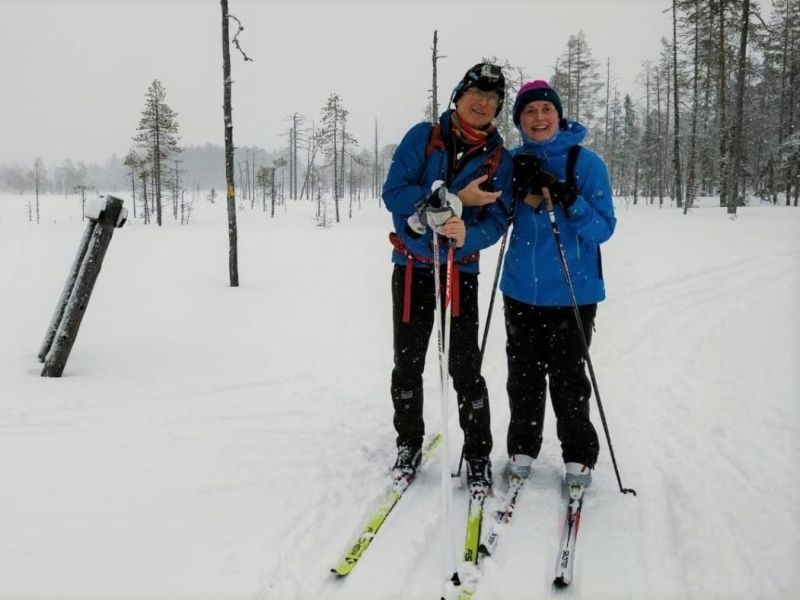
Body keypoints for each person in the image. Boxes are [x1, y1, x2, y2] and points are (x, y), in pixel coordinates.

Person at [382, 63, 514, 493]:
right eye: (476, 93)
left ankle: (477, 453)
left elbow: (497, 217)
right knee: (409, 362)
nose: (482, 103)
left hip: (461, 272)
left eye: (492, 99)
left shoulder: (499, 158)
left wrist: (469, 232)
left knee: (464, 367)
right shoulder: (423, 137)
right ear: (458, 96)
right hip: (412, 269)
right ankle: (409, 442)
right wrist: (454, 199)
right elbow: (394, 194)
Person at [500, 80, 616, 489]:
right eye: (529, 112)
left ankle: (578, 455)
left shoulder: (586, 163)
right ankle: (523, 446)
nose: (539, 118)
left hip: (573, 292)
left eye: (546, 110)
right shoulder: (510, 161)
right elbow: (498, 216)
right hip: (519, 290)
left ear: (558, 114)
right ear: (519, 121)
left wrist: (569, 198)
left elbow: (603, 229)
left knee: (568, 377)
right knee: (523, 375)